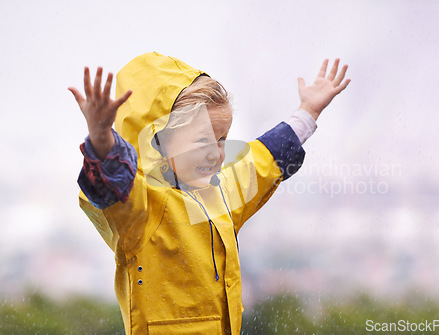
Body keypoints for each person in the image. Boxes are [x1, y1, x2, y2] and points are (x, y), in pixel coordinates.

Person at [69, 52, 350, 335]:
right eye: (202, 140)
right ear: (158, 140)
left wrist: (308, 111)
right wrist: (102, 139)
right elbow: (111, 184)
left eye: (222, 139)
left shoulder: (222, 193)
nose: (216, 154)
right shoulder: (141, 208)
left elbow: (264, 159)